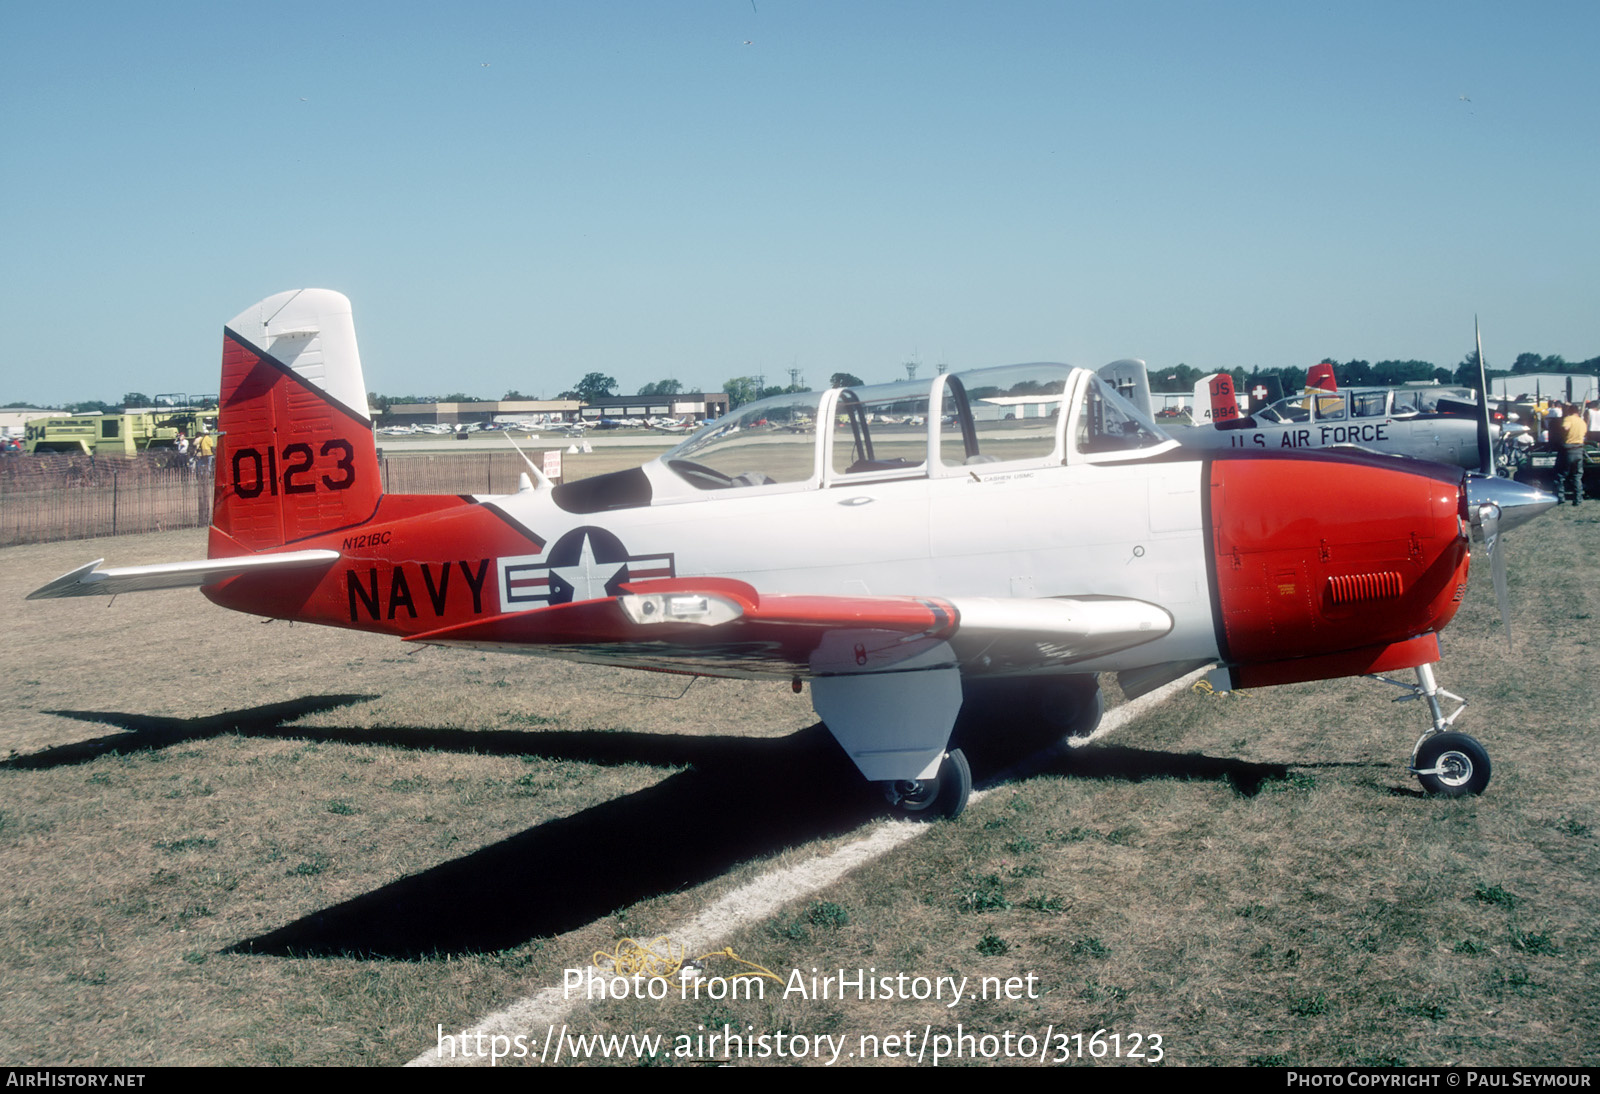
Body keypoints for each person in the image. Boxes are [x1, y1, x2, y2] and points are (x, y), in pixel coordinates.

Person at [1556, 403, 1586, 507]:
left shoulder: (1568, 419)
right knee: (1577, 476)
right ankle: (1578, 499)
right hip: (1579, 450)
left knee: (1561, 475)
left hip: (1569, 449)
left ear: (1569, 411)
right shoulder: (1582, 422)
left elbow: (1565, 428)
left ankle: (1560, 497)